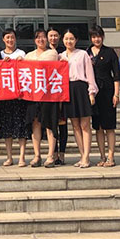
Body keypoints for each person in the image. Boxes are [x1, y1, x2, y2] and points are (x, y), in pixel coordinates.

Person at [61, 29, 98, 168]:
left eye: (71, 38)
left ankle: (87, 157)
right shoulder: (60, 56)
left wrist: (91, 92)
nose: (69, 41)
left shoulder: (83, 54)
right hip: (68, 90)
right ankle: (82, 155)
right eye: (66, 38)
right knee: (75, 126)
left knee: (85, 125)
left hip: (82, 89)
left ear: (76, 40)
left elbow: (90, 74)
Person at [23, 28, 59, 168]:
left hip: (49, 95)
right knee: (35, 123)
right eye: (38, 37)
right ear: (34, 40)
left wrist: (26, 61)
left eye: (43, 37)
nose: (41, 40)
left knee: (50, 124)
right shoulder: (29, 55)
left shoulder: (52, 53)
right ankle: (37, 155)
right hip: (33, 95)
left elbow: (41, 64)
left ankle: (50, 155)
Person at [87, 25, 120, 167]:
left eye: (99, 36)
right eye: (94, 37)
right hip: (93, 94)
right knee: (98, 127)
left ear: (103, 37)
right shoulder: (87, 52)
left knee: (109, 126)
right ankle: (102, 156)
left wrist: (116, 94)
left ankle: (111, 157)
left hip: (107, 91)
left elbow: (116, 75)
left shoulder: (109, 52)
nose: (97, 39)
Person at [0, 28, 30, 167]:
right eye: (7, 38)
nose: (10, 40)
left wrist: (22, 62)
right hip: (5, 97)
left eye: (12, 37)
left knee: (21, 128)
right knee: (7, 128)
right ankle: (9, 157)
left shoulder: (22, 53)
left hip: (20, 97)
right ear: (3, 40)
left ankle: (22, 157)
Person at [47, 27, 68, 165]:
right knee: (51, 124)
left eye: (55, 35)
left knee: (63, 125)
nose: (53, 38)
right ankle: (53, 153)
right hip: (48, 94)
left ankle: (62, 153)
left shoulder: (64, 52)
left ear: (59, 37)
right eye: (51, 35)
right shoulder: (44, 52)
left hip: (62, 92)